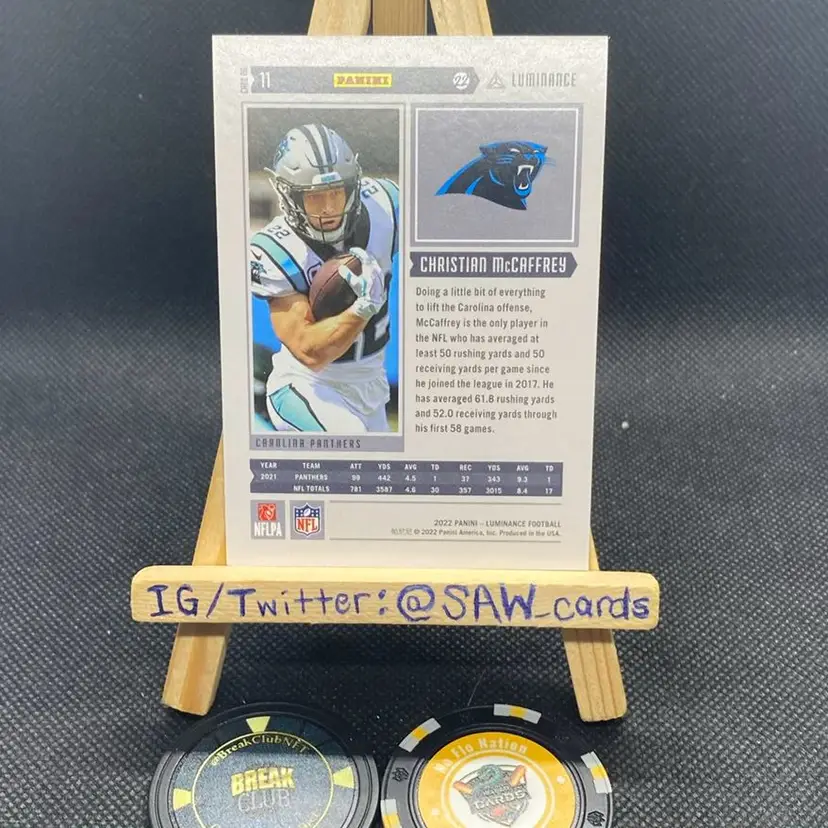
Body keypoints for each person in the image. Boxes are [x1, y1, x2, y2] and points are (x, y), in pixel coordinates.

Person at [250, 123, 399, 433]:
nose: (329, 208)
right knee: (353, 443)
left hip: (371, 386)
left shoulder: (385, 205)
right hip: (307, 386)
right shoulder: (277, 249)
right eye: (315, 197)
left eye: (337, 192)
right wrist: (362, 308)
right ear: (290, 196)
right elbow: (309, 352)